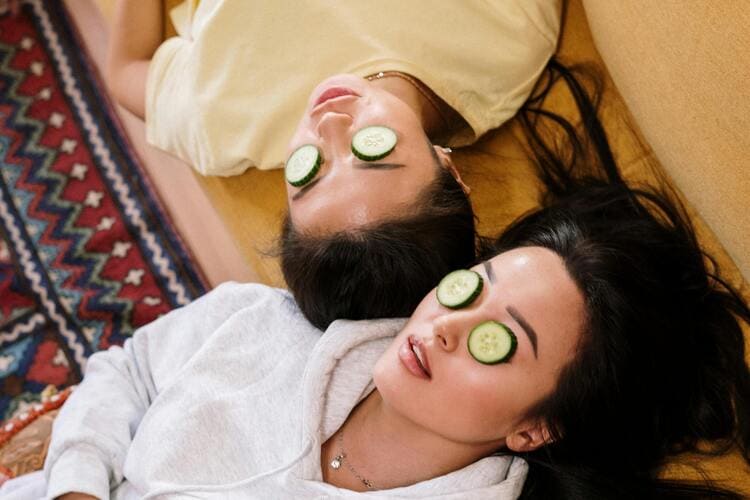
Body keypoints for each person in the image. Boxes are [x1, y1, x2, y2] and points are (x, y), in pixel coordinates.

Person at [2, 61, 748, 500]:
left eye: (501, 341)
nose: (448, 323)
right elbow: (125, 370)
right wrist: (75, 485)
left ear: (535, 428)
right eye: (471, 286)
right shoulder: (266, 319)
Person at [106, 0, 562, 329]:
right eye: (373, 150)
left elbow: (127, 69)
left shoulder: (220, 121)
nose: (328, 127)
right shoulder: (507, 36)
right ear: (450, 170)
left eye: (307, 169)